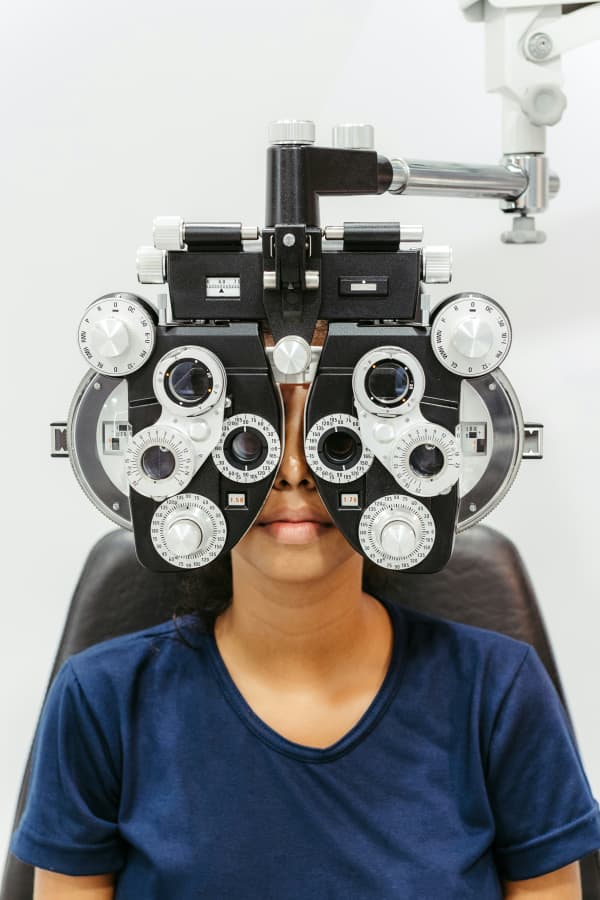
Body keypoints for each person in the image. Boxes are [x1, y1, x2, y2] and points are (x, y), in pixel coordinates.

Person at [10, 322, 600, 899]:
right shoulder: (102, 698)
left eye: (335, 440)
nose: (295, 471)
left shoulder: (498, 691)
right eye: (253, 441)